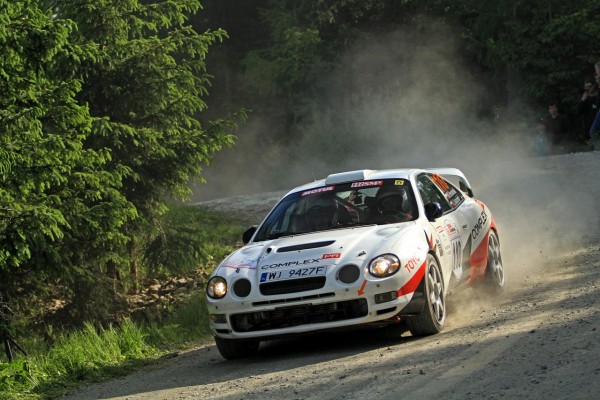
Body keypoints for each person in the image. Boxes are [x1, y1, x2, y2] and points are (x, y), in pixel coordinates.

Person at [575, 77, 599, 147]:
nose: (588, 88)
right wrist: (582, 100)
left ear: (594, 86)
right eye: (586, 87)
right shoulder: (585, 99)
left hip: (597, 130)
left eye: (589, 86)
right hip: (588, 131)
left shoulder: (598, 98)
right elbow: (577, 113)